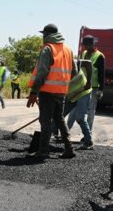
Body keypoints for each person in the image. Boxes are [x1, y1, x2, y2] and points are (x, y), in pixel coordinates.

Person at [27, 24, 77, 160]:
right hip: (61, 92)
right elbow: (75, 72)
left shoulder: (48, 48)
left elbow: (42, 72)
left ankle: (43, 151)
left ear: (47, 35)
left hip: (47, 91)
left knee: (45, 120)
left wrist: (33, 92)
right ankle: (69, 149)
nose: (43, 37)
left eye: (44, 34)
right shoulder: (68, 50)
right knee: (60, 119)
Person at [66, 56, 94, 150]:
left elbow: (88, 63)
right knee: (58, 116)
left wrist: (89, 82)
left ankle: (88, 142)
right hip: (71, 95)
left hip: (83, 92)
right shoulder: (55, 71)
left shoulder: (73, 62)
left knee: (80, 117)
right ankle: (47, 138)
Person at [80, 35, 106, 132]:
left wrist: (101, 90)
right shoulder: (84, 53)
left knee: (91, 111)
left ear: (92, 45)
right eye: (84, 46)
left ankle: (88, 132)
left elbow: (102, 74)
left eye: (87, 45)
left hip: (94, 88)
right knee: (79, 110)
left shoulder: (100, 56)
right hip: (82, 87)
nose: (85, 48)